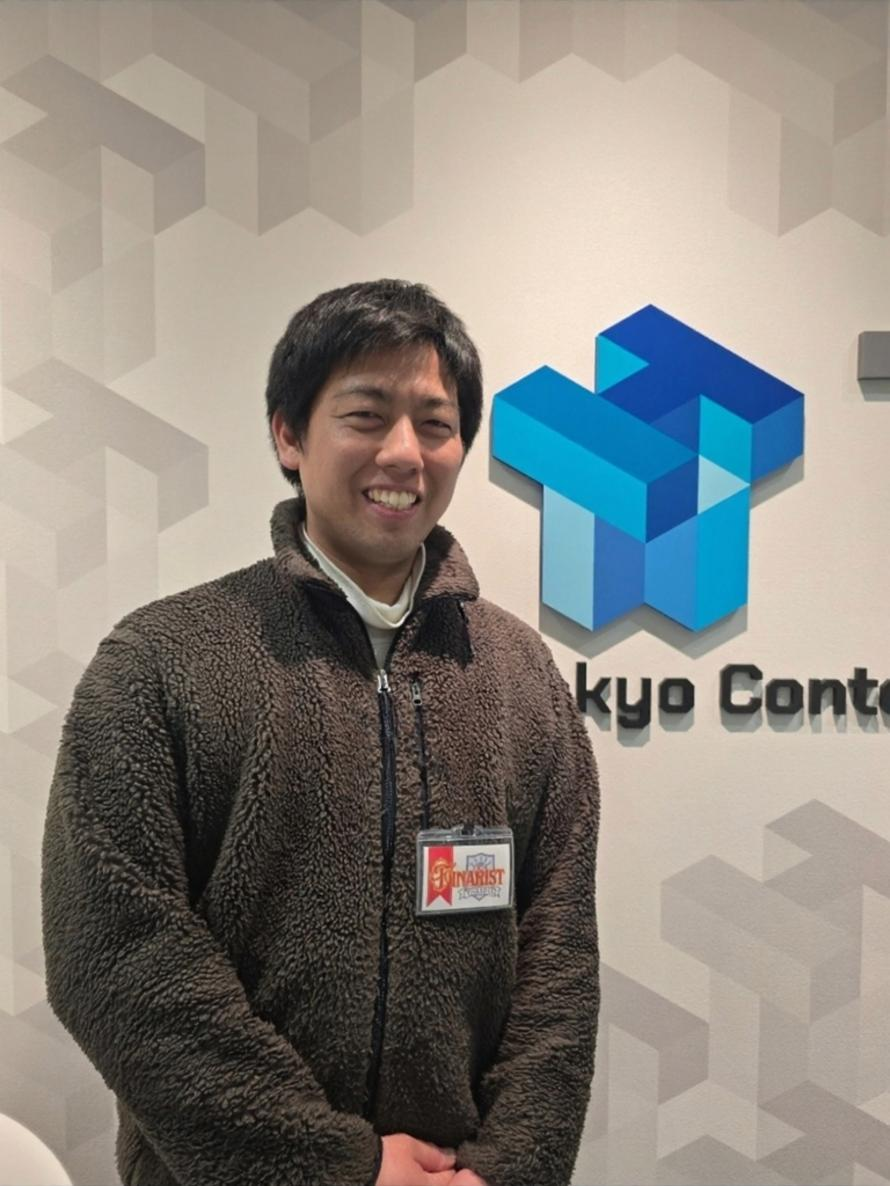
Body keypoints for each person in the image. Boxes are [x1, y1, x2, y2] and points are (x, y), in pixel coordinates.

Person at [42, 280, 600, 1186]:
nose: (404, 452)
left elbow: (559, 961)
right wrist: (336, 1167)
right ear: (289, 436)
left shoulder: (519, 676)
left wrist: (507, 1170)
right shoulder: (161, 662)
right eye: (366, 415)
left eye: (436, 423)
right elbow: (114, 957)